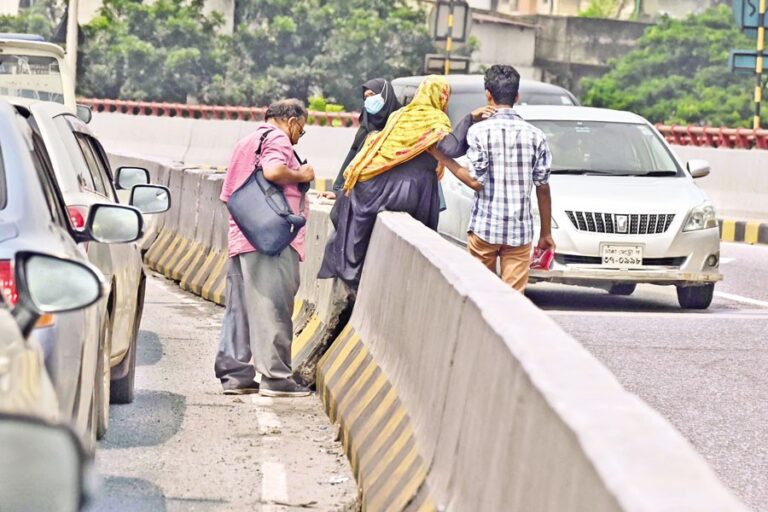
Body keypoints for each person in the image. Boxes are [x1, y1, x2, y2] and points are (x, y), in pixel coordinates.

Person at [318, 75, 496, 289]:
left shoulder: (399, 114)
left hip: (372, 186)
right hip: (407, 190)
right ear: (442, 97)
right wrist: (469, 119)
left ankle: (352, 277)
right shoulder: (434, 118)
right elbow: (450, 148)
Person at [215, 99, 314, 397]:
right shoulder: (279, 139)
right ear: (292, 120)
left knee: (240, 310)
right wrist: (302, 175)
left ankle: (236, 376)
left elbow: (229, 193)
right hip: (272, 239)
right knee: (273, 307)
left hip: (242, 235)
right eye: (302, 129)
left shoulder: (246, 142)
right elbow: (273, 171)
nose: (299, 135)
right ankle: (276, 378)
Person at [429, 65, 555, 293]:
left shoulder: (479, 132)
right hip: (519, 232)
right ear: (517, 96)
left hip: (484, 230)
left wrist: (443, 158)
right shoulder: (536, 136)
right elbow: (542, 188)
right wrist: (546, 233)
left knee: (480, 295)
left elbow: (476, 181)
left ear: (488, 94)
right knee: (513, 300)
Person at [327, 79, 402, 197]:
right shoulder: (367, 123)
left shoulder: (401, 121)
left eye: (372, 94)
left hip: (393, 190)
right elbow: (353, 154)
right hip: (366, 190)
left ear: (385, 94)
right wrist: (338, 189)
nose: (369, 100)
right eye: (366, 97)